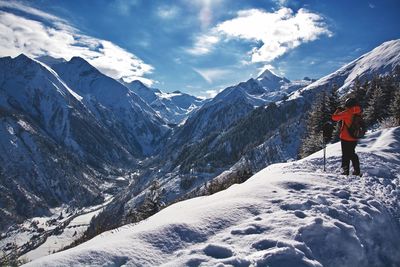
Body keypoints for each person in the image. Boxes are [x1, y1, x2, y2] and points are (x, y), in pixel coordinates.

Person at [331, 98, 362, 176]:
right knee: (352, 153)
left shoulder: (347, 112)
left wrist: (338, 110)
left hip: (346, 137)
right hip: (355, 136)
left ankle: (345, 172)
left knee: (345, 155)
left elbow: (334, 117)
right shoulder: (359, 111)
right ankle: (357, 171)